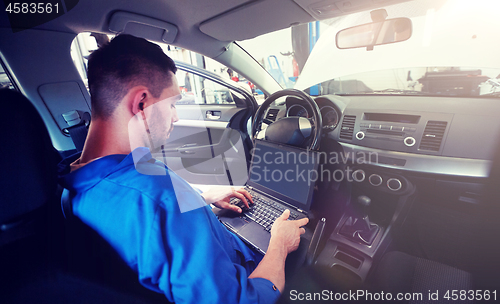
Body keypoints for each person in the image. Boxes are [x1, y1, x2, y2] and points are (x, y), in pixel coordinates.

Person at [58, 34, 308, 304]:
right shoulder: (159, 198)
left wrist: (200, 203)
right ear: (141, 103)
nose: (175, 116)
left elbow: (153, 242)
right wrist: (279, 246)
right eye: (172, 104)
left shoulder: (73, 182)